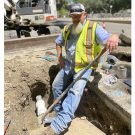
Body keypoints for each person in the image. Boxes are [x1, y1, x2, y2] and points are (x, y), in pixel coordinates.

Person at [40, 3, 119, 135]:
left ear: (84, 15)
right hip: (69, 65)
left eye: (78, 16)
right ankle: (58, 111)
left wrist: (115, 36)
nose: (76, 19)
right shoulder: (67, 29)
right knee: (56, 85)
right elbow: (58, 42)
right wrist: (60, 57)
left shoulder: (94, 28)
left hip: (84, 67)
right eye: (73, 17)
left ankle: (58, 125)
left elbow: (109, 37)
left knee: (75, 91)